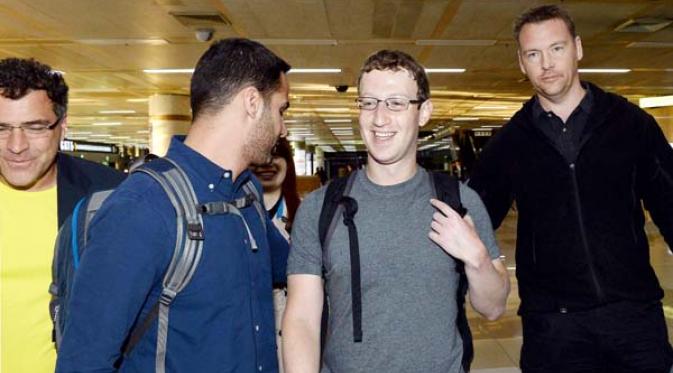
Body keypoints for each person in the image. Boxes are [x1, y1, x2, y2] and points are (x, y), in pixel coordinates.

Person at [56, 38, 291, 372]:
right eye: (281, 109)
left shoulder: (247, 194)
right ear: (252, 102)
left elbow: (292, 265)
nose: (282, 129)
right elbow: (84, 361)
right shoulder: (143, 208)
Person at [468, 5, 673, 372]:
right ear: (521, 62)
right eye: (533, 54)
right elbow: (475, 222)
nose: (546, 63)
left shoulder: (630, 124)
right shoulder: (510, 143)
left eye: (557, 48)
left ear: (577, 48)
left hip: (634, 319)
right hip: (553, 329)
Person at [282, 50, 509, 373]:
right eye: (369, 102)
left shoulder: (458, 202)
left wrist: (477, 258)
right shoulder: (322, 208)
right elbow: (302, 318)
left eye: (395, 103)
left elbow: (494, 308)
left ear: (423, 112)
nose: (379, 118)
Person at [0, 57, 124, 373]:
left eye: (35, 127)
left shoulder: (109, 197)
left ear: (63, 126)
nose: (16, 146)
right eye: (1, 128)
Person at [251, 137, 301, 373]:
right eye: (260, 157)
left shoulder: (308, 214)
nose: (266, 163)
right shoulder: (233, 215)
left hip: (293, 325)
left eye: (275, 155)